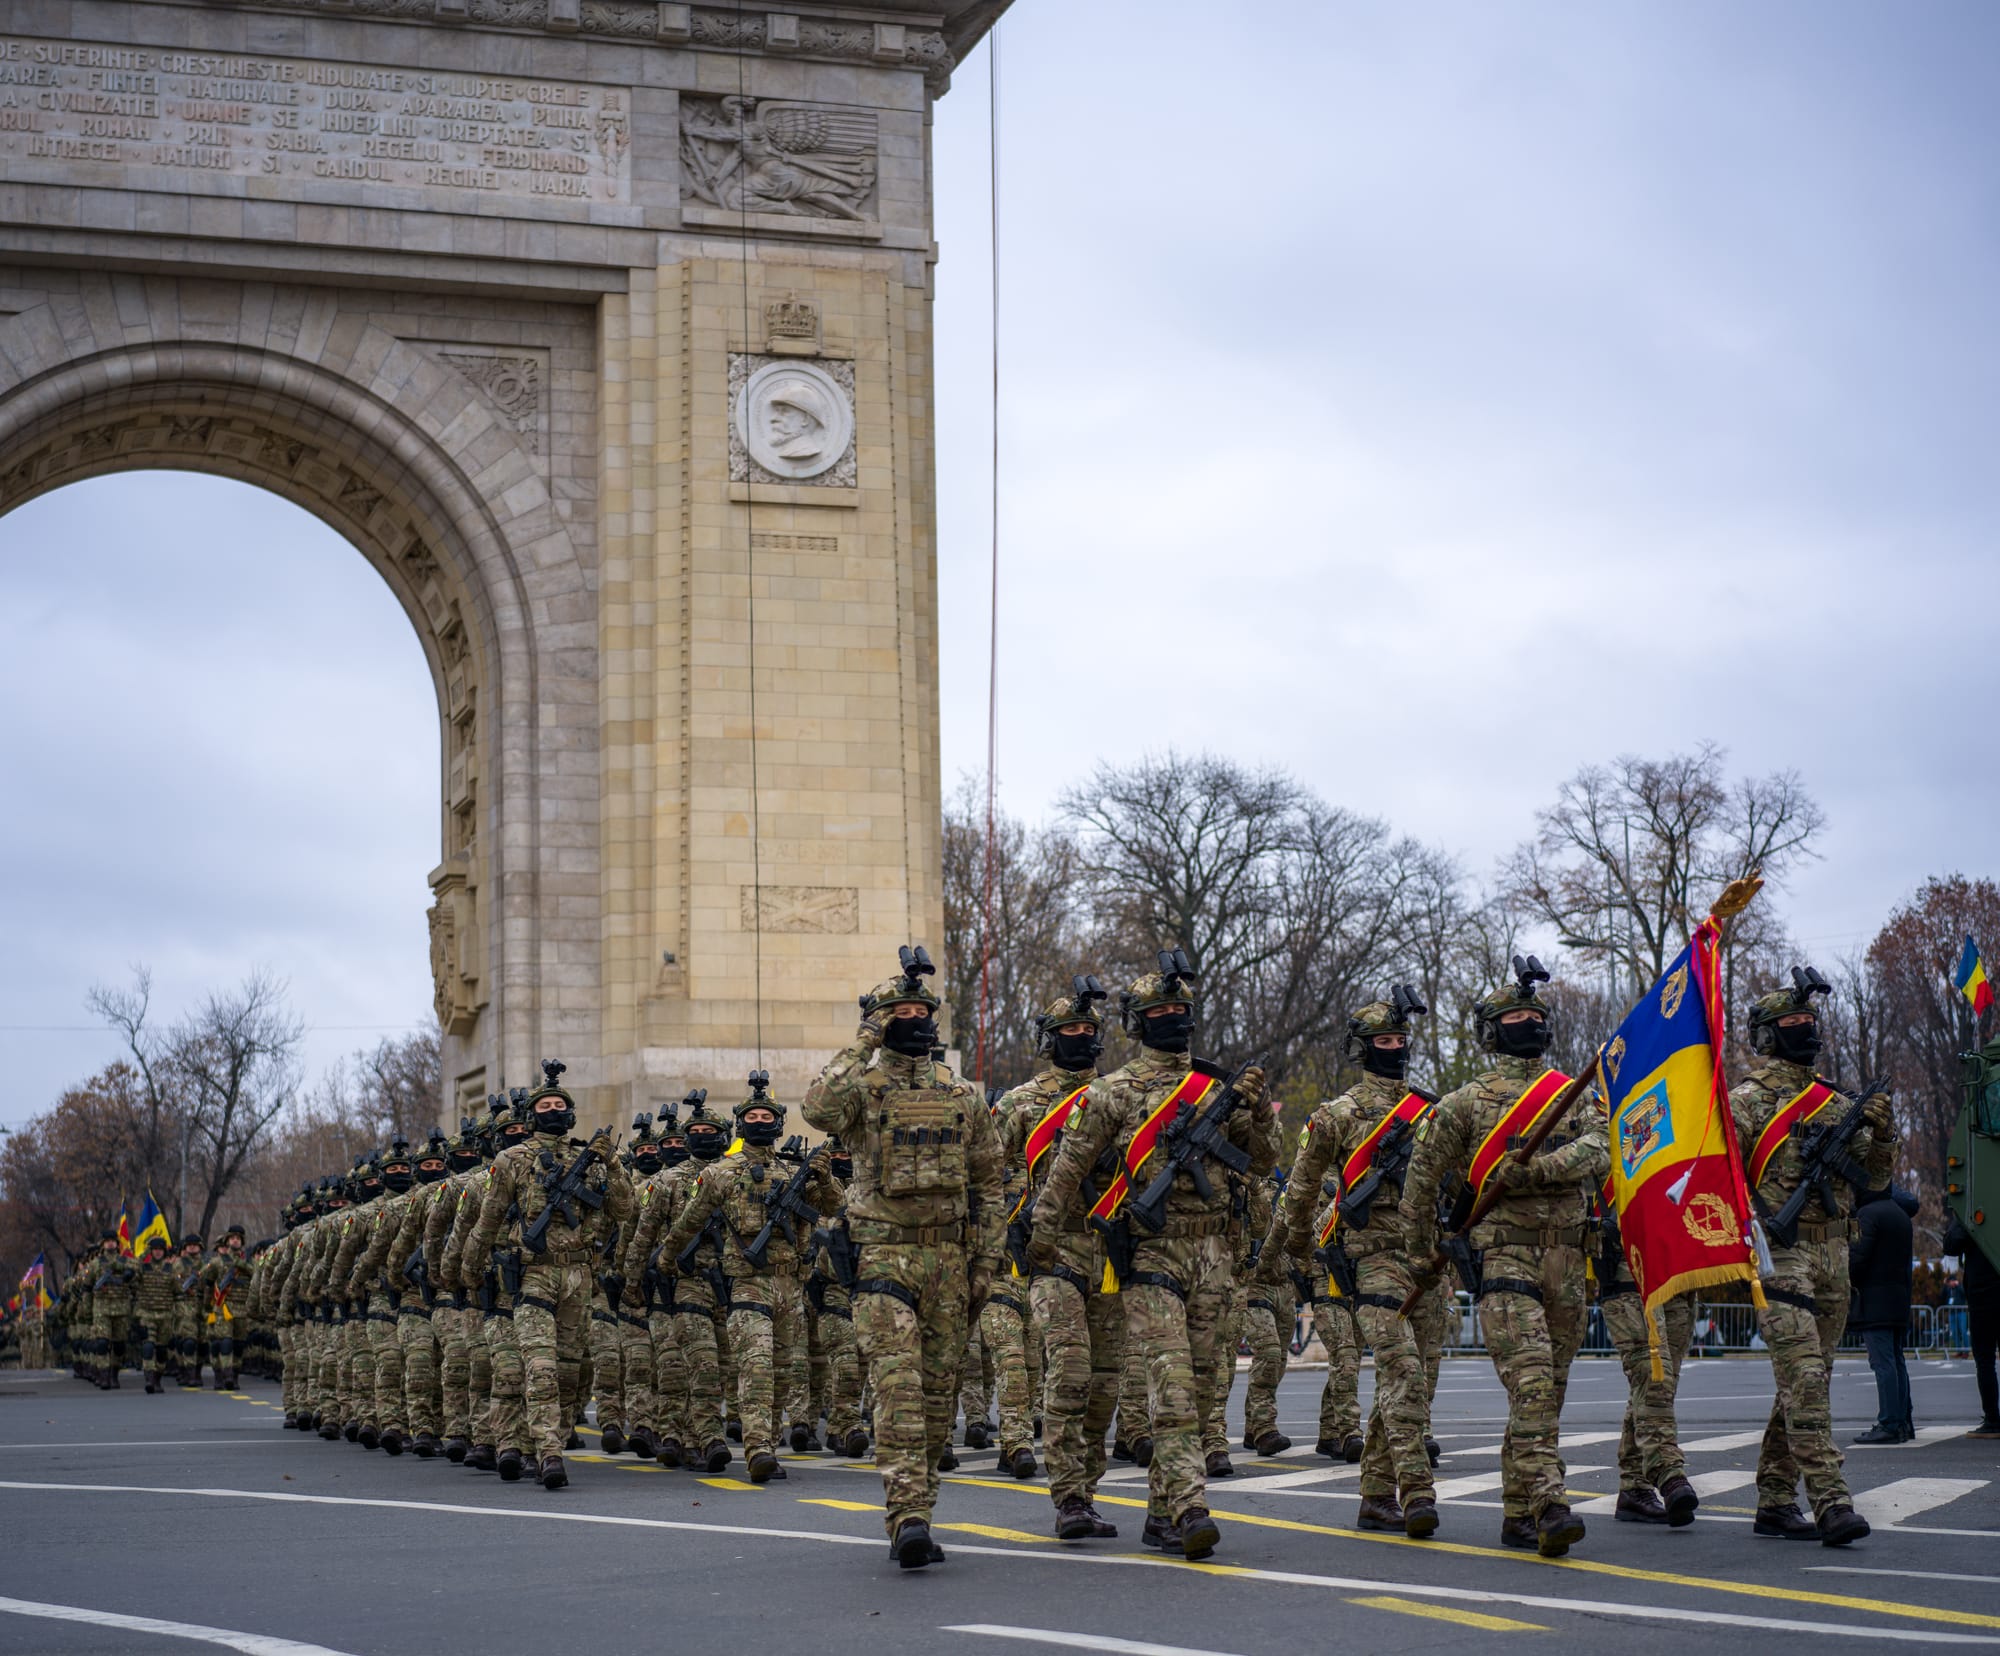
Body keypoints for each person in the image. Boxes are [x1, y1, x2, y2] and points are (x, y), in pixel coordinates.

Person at [1025, 952, 1277, 1563]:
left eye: (1180, 1010)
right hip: (1151, 1255)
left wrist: (1251, 1112)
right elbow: (1068, 1168)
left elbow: (1263, 1162)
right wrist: (1039, 1234)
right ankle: (1191, 1504)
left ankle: (1163, 1515)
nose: (1173, 1019)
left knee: (1201, 1381)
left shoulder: (1215, 1089)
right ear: (1137, 1023)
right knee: (1170, 1386)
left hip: (1215, 1252)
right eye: (1160, 1011)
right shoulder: (1111, 1093)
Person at [802, 945, 1005, 1570]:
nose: (917, 1017)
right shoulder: (861, 1089)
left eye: (923, 1008)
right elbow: (815, 1106)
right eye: (904, 1010)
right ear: (885, 1019)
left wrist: (985, 1264)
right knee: (900, 1392)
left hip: (949, 1261)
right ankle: (907, 1518)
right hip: (884, 1260)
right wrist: (863, 1038)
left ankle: (924, 1506)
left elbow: (990, 1180)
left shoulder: (960, 1092)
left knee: (940, 1398)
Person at [1400, 958, 1608, 1557]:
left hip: (1569, 1262)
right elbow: (1420, 1183)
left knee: (1547, 1391)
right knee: (1535, 1384)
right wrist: (1422, 1256)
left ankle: (1517, 1512)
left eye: (1535, 1015)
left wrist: (1541, 1168)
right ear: (1492, 1031)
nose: (1528, 1023)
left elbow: (1601, 1149)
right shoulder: (1462, 1105)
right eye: (1516, 1016)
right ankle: (1549, 1502)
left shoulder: (1573, 1095)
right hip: (1504, 1262)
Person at [1731, 968, 1890, 1546]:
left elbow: (1876, 1178)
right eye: (1792, 1023)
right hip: (1780, 1256)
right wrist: (1753, 1230)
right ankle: (1831, 1500)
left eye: (1809, 1021)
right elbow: (1724, 1180)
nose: (1805, 1029)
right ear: (1767, 1036)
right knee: (1804, 1381)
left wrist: (1886, 1133)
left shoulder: (1836, 1101)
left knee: (1808, 1380)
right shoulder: (1746, 1103)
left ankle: (1774, 1499)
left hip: (1834, 1257)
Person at [1286, 991, 1441, 1535]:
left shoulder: (1431, 1113)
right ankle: (1416, 1491)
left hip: (1427, 1261)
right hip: (1370, 1261)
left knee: (1415, 1380)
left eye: (1400, 1041)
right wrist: (1296, 1255)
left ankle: (1376, 1494)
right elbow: (1300, 1191)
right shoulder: (1337, 1115)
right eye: (1383, 1041)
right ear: (1361, 1047)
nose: (1394, 1049)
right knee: (1403, 1371)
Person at [659, 1074, 842, 1484]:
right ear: (742, 1124)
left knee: (781, 1371)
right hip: (747, 1284)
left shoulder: (795, 1172)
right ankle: (757, 1448)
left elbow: (836, 1205)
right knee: (756, 1368)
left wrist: (825, 1176)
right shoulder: (723, 1173)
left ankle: (769, 1444)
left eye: (767, 1115)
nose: (760, 1121)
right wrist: (668, 1259)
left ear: (778, 1124)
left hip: (789, 1288)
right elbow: (690, 1222)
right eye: (752, 1115)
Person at [464, 1062, 636, 1490]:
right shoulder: (512, 1160)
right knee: (537, 1366)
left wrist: (612, 1164)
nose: (553, 1109)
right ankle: (544, 1452)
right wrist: (469, 1267)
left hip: (579, 1278)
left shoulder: (589, 1160)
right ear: (532, 1114)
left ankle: (534, 1443)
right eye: (546, 1104)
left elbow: (624, 1210)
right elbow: (489, 1218)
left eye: (560, 1104)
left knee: (565, 1372)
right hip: (534, 1276)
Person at [997, 980, 1123, 1539]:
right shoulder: (1020, 1103)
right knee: (1069, 1371)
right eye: (1070, 1030)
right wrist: (1012, 1224)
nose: (1081, 1038)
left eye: (1088, 1031)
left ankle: (1087, 1490)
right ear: (1050, 1039)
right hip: (1052, 1251)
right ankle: (1068, 1497)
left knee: (1106, 1385)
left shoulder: (1122, 1095)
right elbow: (988, 1172)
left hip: (1112, 1252)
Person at [1850, 1186, 1919, 1444]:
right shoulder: (1899, 1213)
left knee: (1883, 1363)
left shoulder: (1868, 1215)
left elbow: (1857, 1260)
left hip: (1875, 1301)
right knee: (1896, 1362)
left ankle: (1889, 1422)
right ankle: (1902, 1422)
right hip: (1898, 1298)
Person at [1943, 1213, 1999, 1437]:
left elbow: (1951, 1245)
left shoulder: (1975, 1210)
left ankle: (1993, 1419)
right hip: (1983, 1291)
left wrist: (1964, 1218)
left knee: (1984, 1360)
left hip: (1982, 1292)